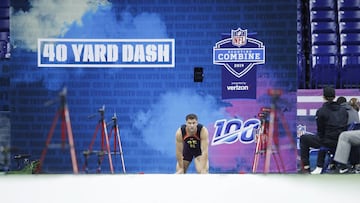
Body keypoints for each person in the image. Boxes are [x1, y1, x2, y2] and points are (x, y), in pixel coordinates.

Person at [299, 87, 348, 174]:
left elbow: (320, 130)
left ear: (324, 97)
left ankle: (306, 167)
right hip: (340, 141)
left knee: (303, 138)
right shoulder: (344, 111)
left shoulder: (321, 111)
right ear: (334, 96)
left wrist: (322, 138)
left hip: (325, 141)